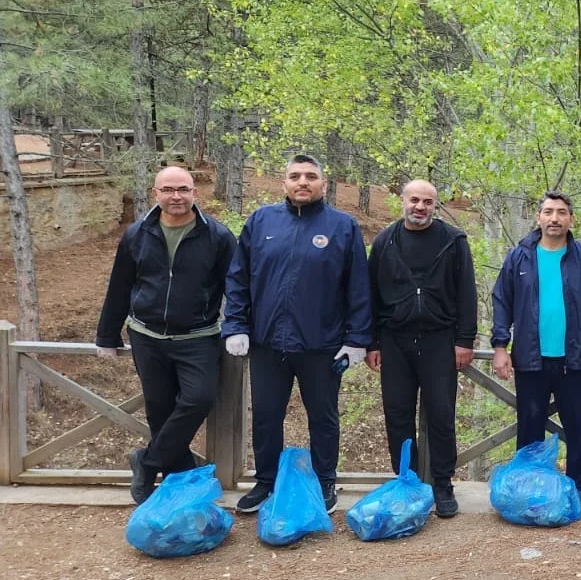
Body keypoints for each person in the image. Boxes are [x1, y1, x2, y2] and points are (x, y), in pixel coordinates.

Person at [223, 154, 374, 513]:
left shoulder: (342, 226)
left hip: (321, 345)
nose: (302, 182)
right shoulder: (261, 221)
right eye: (295, 176)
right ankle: (266, 482)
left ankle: (324, 482)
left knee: (322, 417)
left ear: (323, 183)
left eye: (310, 176)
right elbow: (238, 278)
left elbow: (359, 286)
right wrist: (235, 325)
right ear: (284, 183)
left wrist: (357, 339)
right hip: (267, 343)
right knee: (265, 415)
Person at [94, 166, 237, 504]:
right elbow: (120, 286)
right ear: (155, 193)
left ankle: (147, 462)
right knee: (159, 411)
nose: (177, 196)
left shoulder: (217, 236)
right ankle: (176, 487)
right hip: (147, 336)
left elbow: (236, 288)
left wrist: (239, 326)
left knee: (199, 398)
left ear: (194, 194)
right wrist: (107, 334)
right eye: (169, 189)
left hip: (198, 335)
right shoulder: (136, 234)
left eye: (183, 189)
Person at [490, 191, 581, 515]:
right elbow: (501, 300)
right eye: (548, 212)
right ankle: (528, 489)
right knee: (529, 426)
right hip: (530, 358)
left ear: (571, 219)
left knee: (578, 426)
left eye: (561, 212)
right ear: (538, 217)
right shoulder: (520, 257)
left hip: (575, 360)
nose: (554, 218)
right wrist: (500, 346)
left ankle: (578, 487)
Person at [365, 180, 477, 519]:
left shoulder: (454, 241)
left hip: (439, 339)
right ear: (402, 201)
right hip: (394, 340)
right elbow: (369, 294)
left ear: (435, 206)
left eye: (427, 202)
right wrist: (371, 342)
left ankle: (443, 483)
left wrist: (465, 339)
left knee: (441, 414)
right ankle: (407, 479)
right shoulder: (385, 241)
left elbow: (466, 293)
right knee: (397, 413)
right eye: (414, 200)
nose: (420, 207)